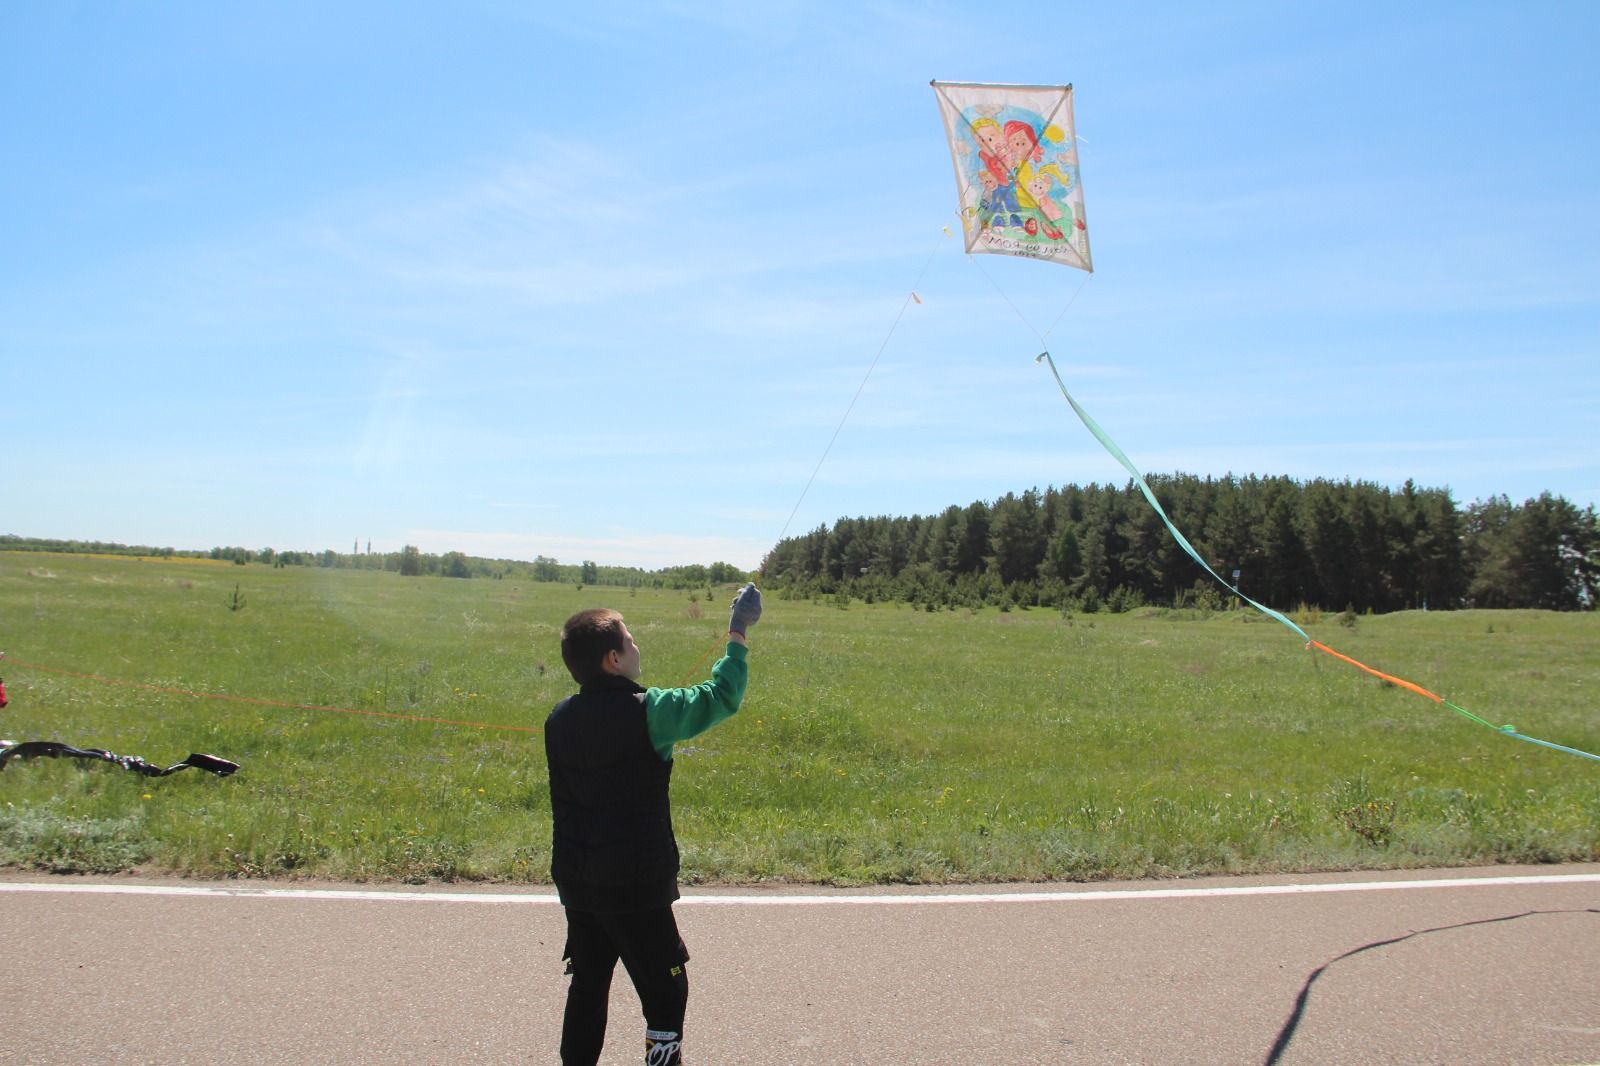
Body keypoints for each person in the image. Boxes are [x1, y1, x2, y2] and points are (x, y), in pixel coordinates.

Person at [545, 583, 763, 1066]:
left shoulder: (557, 718)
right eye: (629, 640)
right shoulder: (650, 712)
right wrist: (738, 631)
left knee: (588, 987)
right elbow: (721, 696)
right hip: (634, 885)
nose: (636, 646)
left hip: (579, 884)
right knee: (668, 994)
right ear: (612, 660)